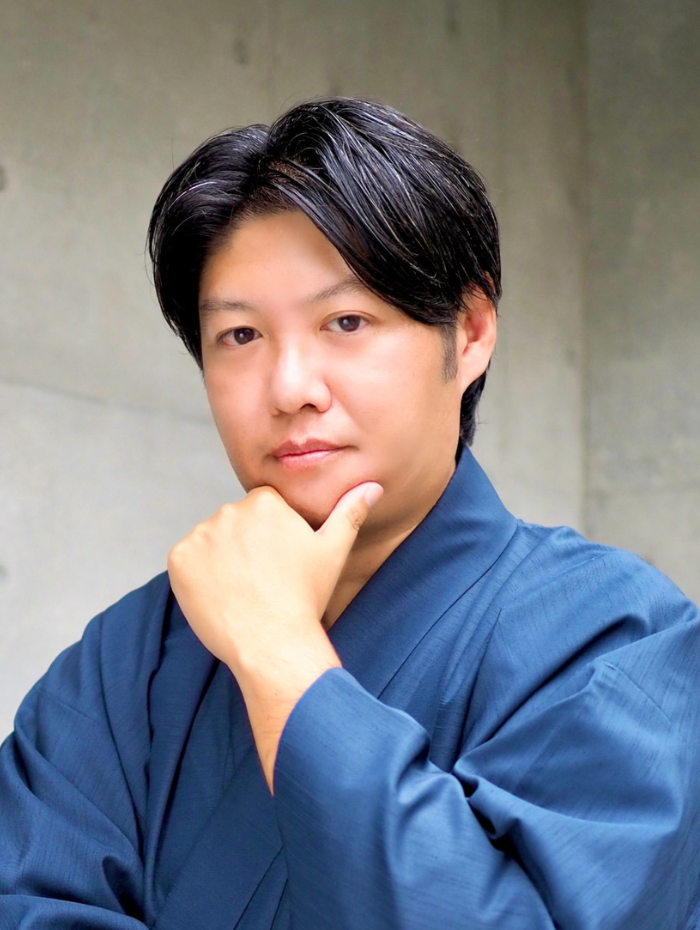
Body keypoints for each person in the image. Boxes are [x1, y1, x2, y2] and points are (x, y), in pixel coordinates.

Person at [1, 97, 699, 930]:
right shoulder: (129, 659)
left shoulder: (616, 637)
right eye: (241, 336)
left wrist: (279, 655)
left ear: (470, 331)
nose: (291, 387)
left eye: (346, 321)